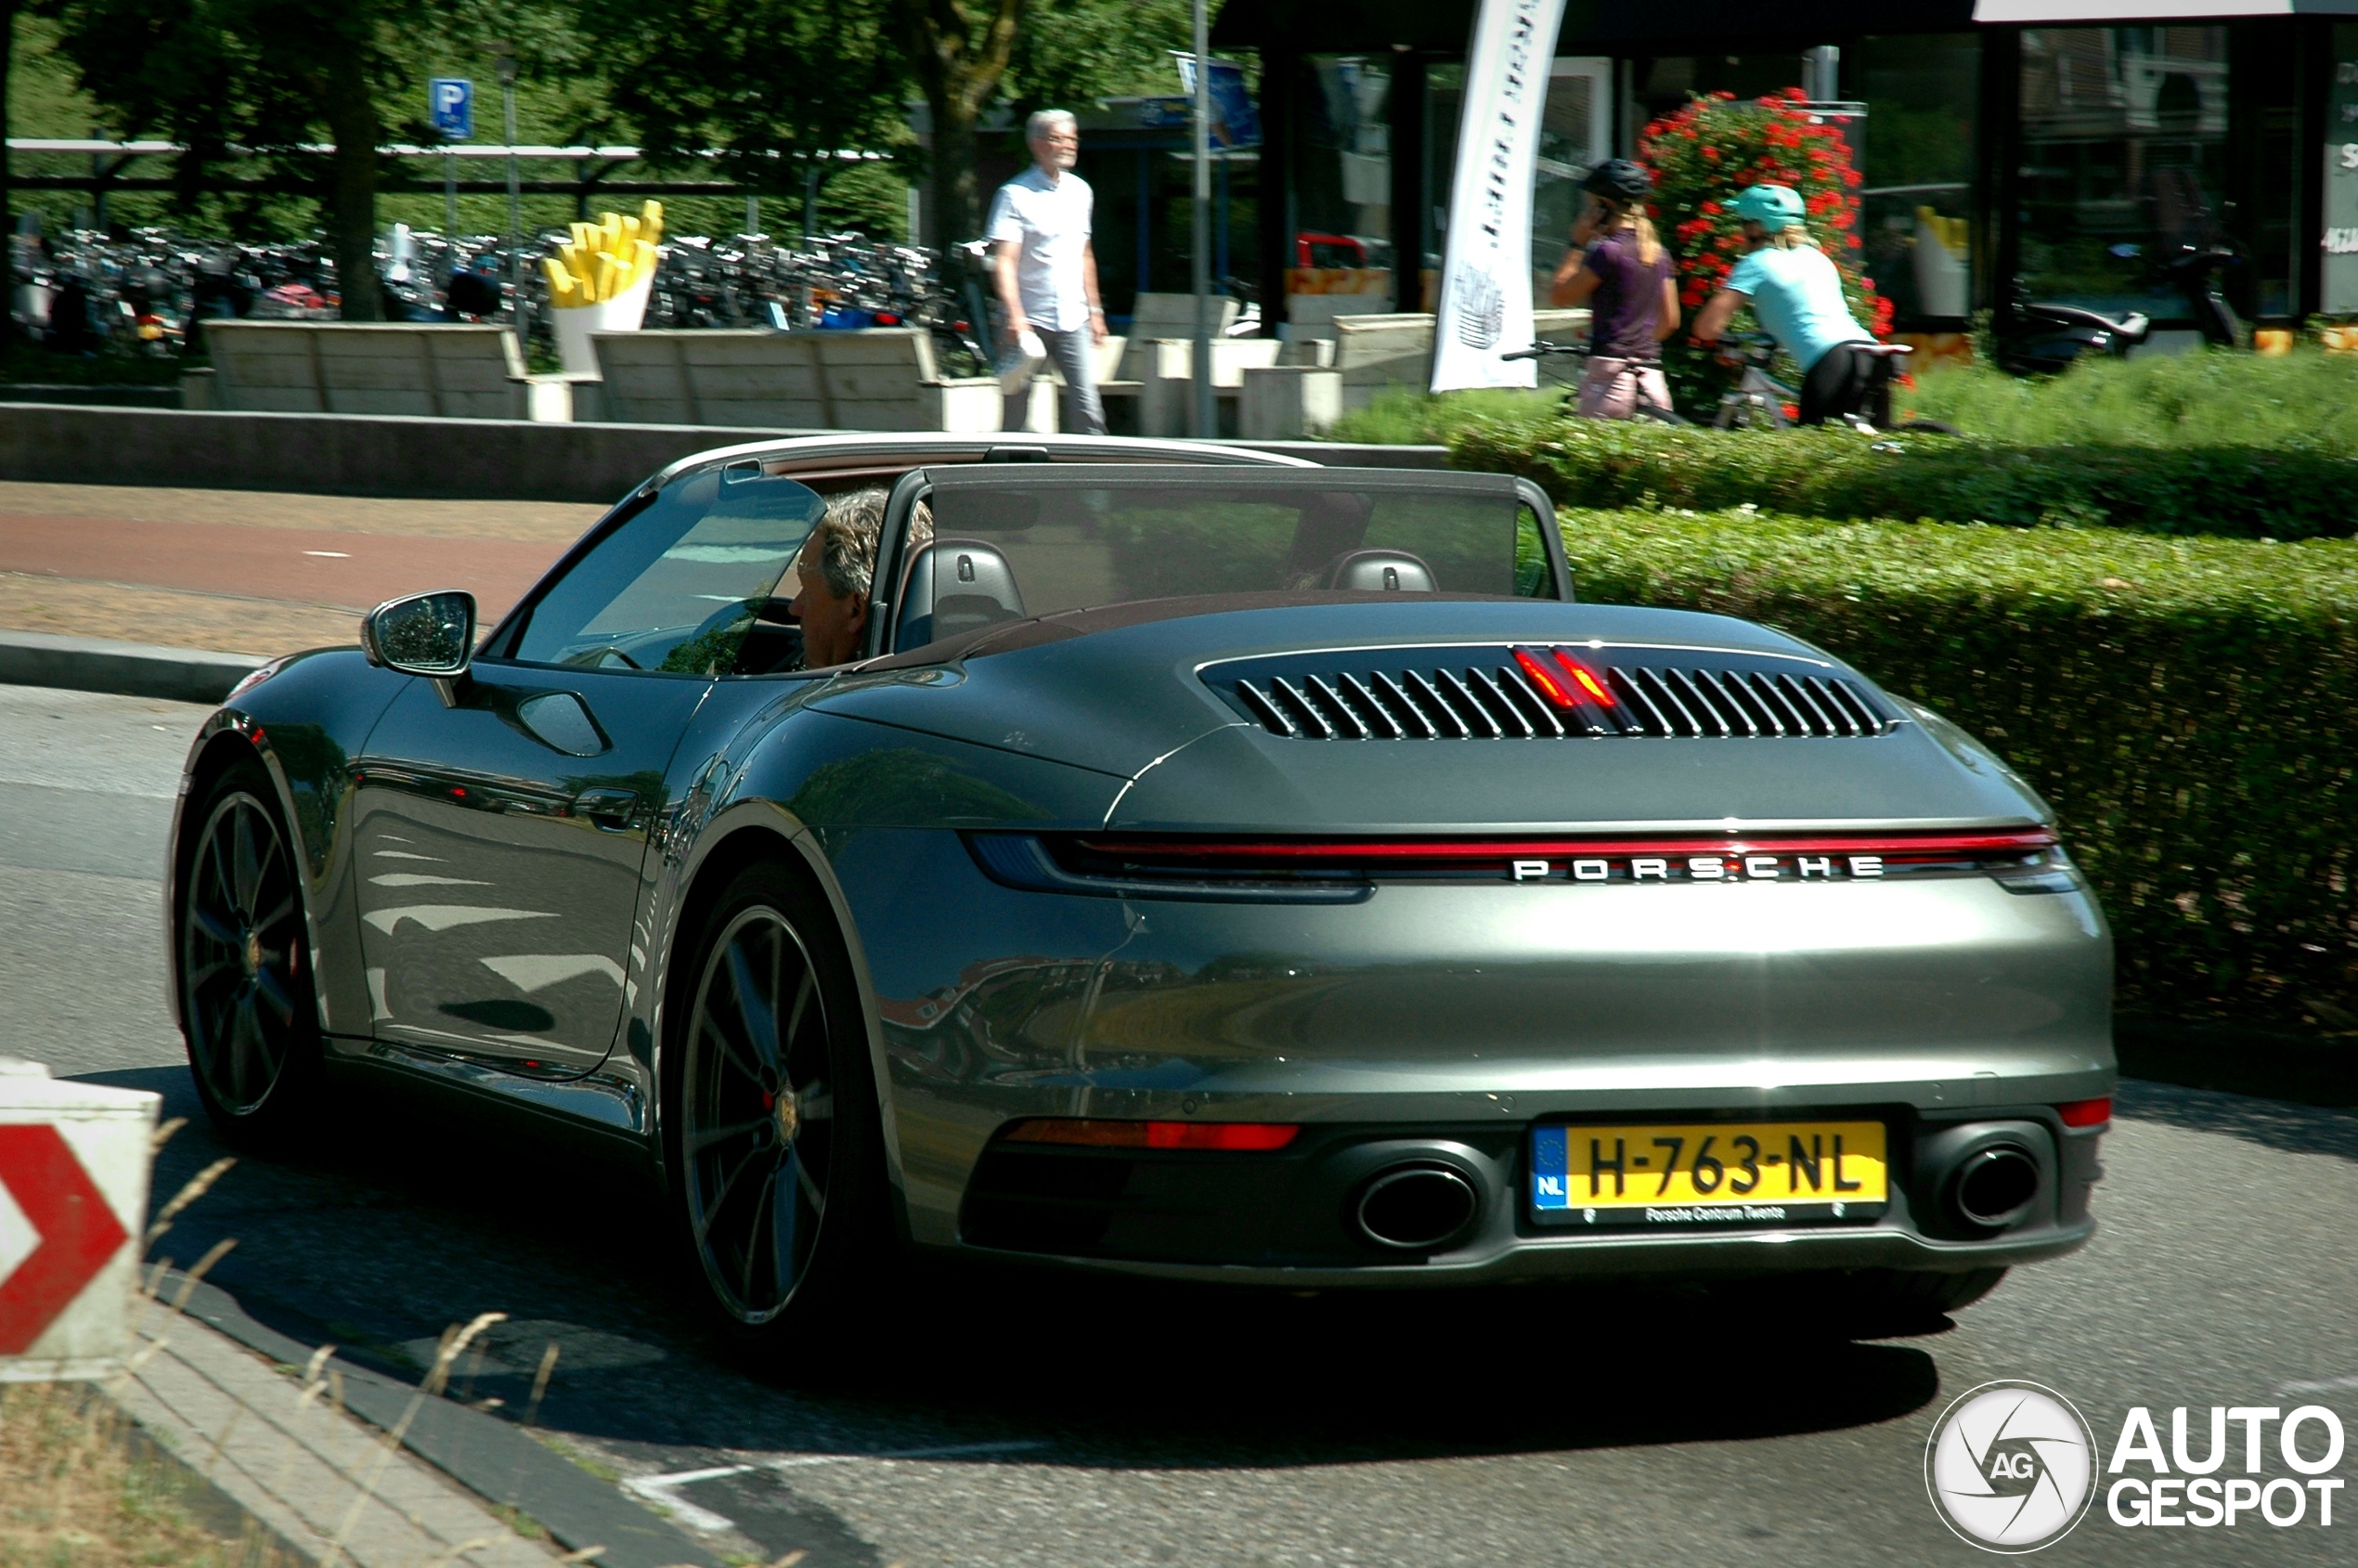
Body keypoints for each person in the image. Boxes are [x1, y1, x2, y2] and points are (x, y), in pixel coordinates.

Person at [1690, 184, 1891, 427]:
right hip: (1871, 352)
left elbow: (1706, 329)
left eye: (1743, 223)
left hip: (1833, 362)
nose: (1741, 232)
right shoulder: (1818, 257)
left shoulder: (1757, 262)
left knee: (1811, 457)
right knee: (1881, 449)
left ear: (1755, 227)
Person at [987, 110, 1108, 435]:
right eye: (1059, 138)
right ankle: (1005, 477)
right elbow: (1005, 261)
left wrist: (1095, 311)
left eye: (1073, 139)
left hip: (1074, 318)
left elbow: (1084, 254)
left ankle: (1099, 478)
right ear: (1037, 143)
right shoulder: (1014, 195)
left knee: (1089, 408)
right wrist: (1015, 317)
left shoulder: (1081, 191)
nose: (1069, 145)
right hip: (1029, 319)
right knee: (1015, 409)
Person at [1547, 159, 1679, 420]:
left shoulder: (1608, 252)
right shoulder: (1659, 254)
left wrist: (1576, 244)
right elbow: (1670, 321)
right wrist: (1637, 344)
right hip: (1651, 380)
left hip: (1609, 383)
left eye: (1590, 205)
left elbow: (1559, 295)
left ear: (1604, 206)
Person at [784, 488, 933, 667]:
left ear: (857, 609)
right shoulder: (964, 657)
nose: (794, 608)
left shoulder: (855, 692)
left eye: (807, 591)